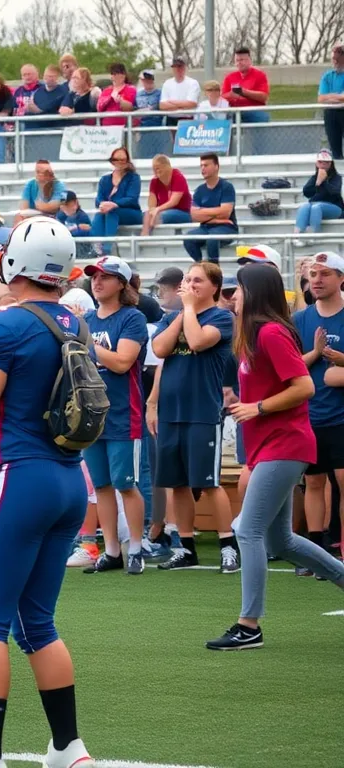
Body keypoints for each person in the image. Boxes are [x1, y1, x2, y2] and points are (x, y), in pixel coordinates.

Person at [0, 218, 92, 768]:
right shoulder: (76, 322)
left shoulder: (1, 325)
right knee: (39, 622)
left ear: (15, 261)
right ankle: (68, 747)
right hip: (67, 479)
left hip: (19, 477)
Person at [208, 261, 344, 650]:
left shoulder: (269, 333)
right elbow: (289, 373)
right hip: (272, 445)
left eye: (239, 290)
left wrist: (259, 407)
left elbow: (304, 387)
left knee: (246, 529)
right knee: (280, 541)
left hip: (286, 444)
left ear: (255, 293)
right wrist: (243, 400)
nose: (232, 296)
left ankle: (249, 625)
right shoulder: (255, 335)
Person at [149, 261, 240, 572]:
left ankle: (228, 544)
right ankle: (186, 547)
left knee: (209, 482)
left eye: (198, 280)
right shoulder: (172, 317)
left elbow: (199, 341)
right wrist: (181, 313)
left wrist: (187, 308)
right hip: (171, 412)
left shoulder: (221, 317)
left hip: (202, 410)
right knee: (177, 483)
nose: (190, 284)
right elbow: (160, 349)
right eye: (187, 279)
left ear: (214, 287)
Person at [81, 257, 149, 575]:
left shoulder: (132, 318)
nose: (97, 282)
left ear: (122, 284)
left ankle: (135, 546)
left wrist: (84, 345)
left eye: (105, 277)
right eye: (94, 276)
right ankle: (111, 550)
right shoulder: (87, 319)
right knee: (102, 485)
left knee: (125, 483)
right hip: (90, 414)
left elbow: (122, 362)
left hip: (124, 413)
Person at [293, 251, 344, 571]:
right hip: (309, 415)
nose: (317, 280)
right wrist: (314, 354)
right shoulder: (300, 319)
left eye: (325, 274)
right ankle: (314, 552)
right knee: (312, 483)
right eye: (313, 274)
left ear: (341, 278)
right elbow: (289, 366)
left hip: (341, 417)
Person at [184, 153, 238, 263]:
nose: (203, 168)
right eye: (201, 166)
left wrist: (203, 213)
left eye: (206, 165)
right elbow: (194, 216)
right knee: (188, 239)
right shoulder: (199, 190)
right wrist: (216, 217)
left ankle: (214, 271)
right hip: (205, 228)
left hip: (226, 227)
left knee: (212, 238)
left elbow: (225, 213)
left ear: (216, 167)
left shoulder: (226, 187)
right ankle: (201, 266)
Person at [90, 147, 142, 250]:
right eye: (116, 159)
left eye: (122, 160)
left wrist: (113, 204)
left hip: (131, 213)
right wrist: (103, 205)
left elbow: (132, 198)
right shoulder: (105, 179)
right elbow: (98, 199)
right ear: (112, 161)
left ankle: (107, 248)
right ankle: (96, 248)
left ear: (127, 161)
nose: (119, 162)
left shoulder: (133, 178)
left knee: (111, 212)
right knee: (99, 215)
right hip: (109, 211)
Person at [294, 150, 343, 236]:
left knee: (316, 207)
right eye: (320, 162)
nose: (323, 164)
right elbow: (307, 192)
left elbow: (334, 192)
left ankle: (313, 235)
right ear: (317, 163)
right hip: (316, 206)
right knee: (305, 206)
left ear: (330, 164)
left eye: (326, 162)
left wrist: (324, 181)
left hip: (336, 208)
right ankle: (297, 235)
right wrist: (317, 183)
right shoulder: (314, 178)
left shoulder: (336, 177)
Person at [142, 154, 192, 235]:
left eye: (158, 167)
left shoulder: (178, 177)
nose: (156, 170)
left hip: (182, 212)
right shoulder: (154, 181)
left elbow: (174, 202)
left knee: (161, 215)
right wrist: (152, 210)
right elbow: (152, 202)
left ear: (167, 166)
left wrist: (157, 210)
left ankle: (145, 237)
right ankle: (144, 237)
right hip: (162, 211)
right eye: (154, 168)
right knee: (145, 215)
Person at [222, 46, 270, 123]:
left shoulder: (260, 75)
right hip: (234, 111)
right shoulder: (229, 77)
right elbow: (222, 97)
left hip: (254, 110)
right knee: (225, 117)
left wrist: (244, 92)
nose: (239, 63)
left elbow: (264, 97)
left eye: (242, 60)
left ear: (249, 61)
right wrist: (231, 95)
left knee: (262, 117)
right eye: (237, 60)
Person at [159, 57, 201, 125]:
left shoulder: (193, 83)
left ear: (184, 67)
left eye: (180, 66)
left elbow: (191, 104)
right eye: (175, 67)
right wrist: (182, 106)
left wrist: (171, 102)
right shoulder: (167, 83)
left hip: (187, 119)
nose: (177, 69)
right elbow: (162, 105)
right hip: (171, 119)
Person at [321, 44, 344, 159]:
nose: (335, 61)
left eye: (338, 58)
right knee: (335, 150)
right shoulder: (327, 76)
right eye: (334, 59)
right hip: (331, 113)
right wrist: (338, 96)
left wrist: (330, 97)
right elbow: (321, 98)